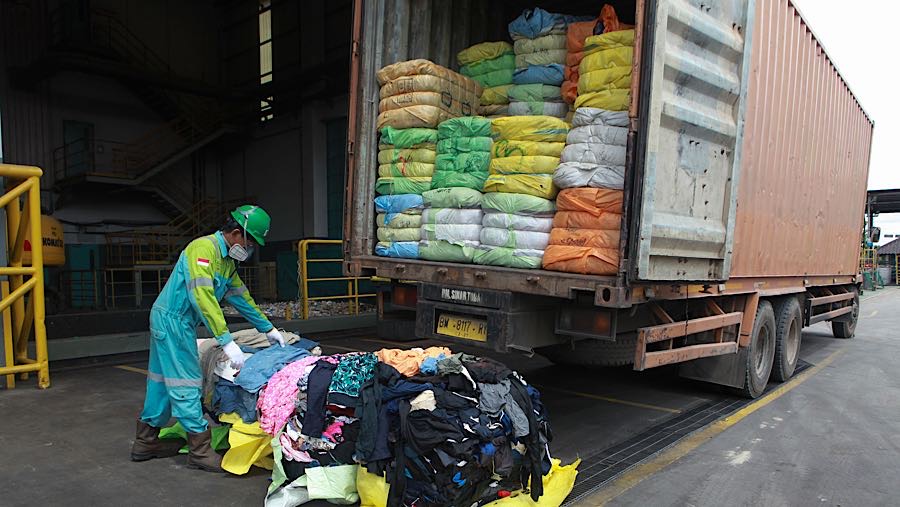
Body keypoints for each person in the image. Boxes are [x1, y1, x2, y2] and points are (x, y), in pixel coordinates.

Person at [130, 205, 286, 472]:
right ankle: (199, 451)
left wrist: (268, 329)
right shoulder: (202, 250)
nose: (250, 249)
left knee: (161, 383)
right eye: (250, 242)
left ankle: (145, 443)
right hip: (173, 321)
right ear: (236, 234)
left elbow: (242, 298)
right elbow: (203, 298)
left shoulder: (227, 263)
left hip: (174, 322)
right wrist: (226, 341)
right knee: (187, 382)